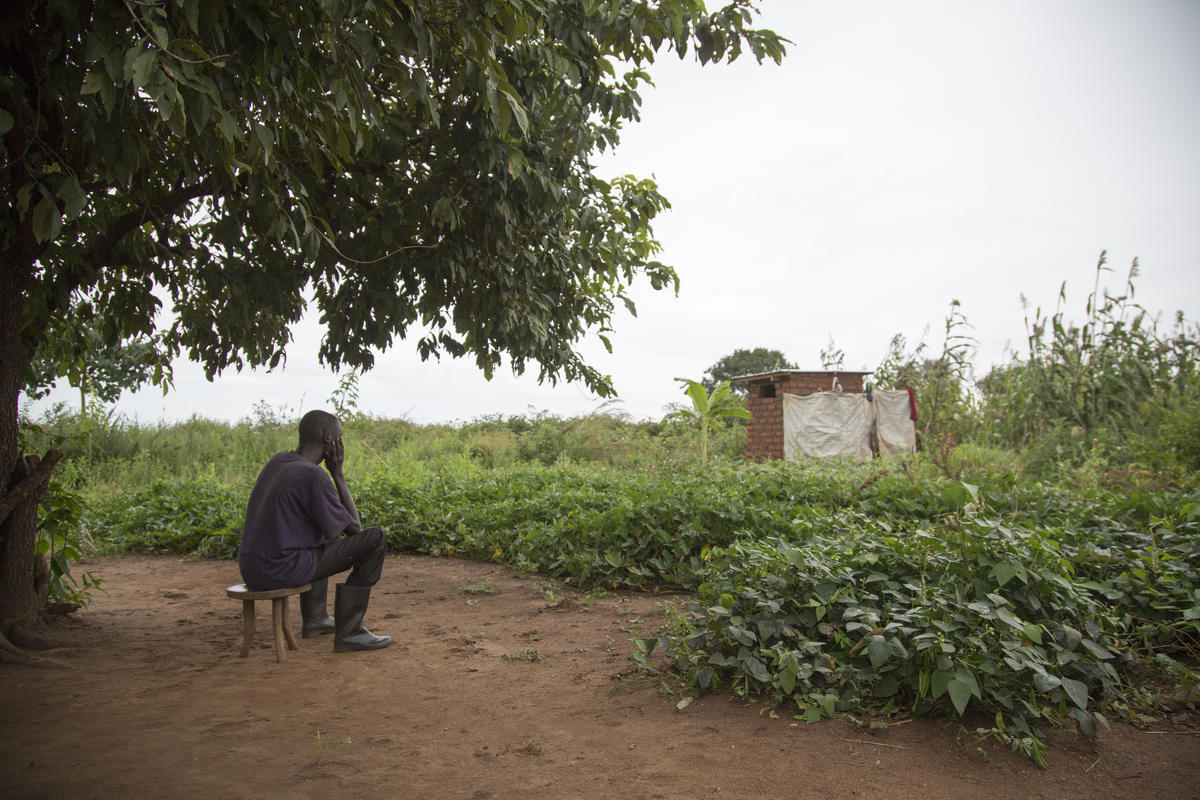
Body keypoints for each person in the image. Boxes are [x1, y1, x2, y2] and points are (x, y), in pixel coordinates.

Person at [238, 409, 391, 652]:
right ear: (328, 438)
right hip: (281, 569)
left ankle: (316, 619)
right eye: (340, 438)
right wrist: (338, 474)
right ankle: (350, 632)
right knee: (375, 539)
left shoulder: (279, 461)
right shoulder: (313, 476)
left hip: (252, 569)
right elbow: (354, 528)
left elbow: (328, 529)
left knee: (320, 534)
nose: (341, 444)